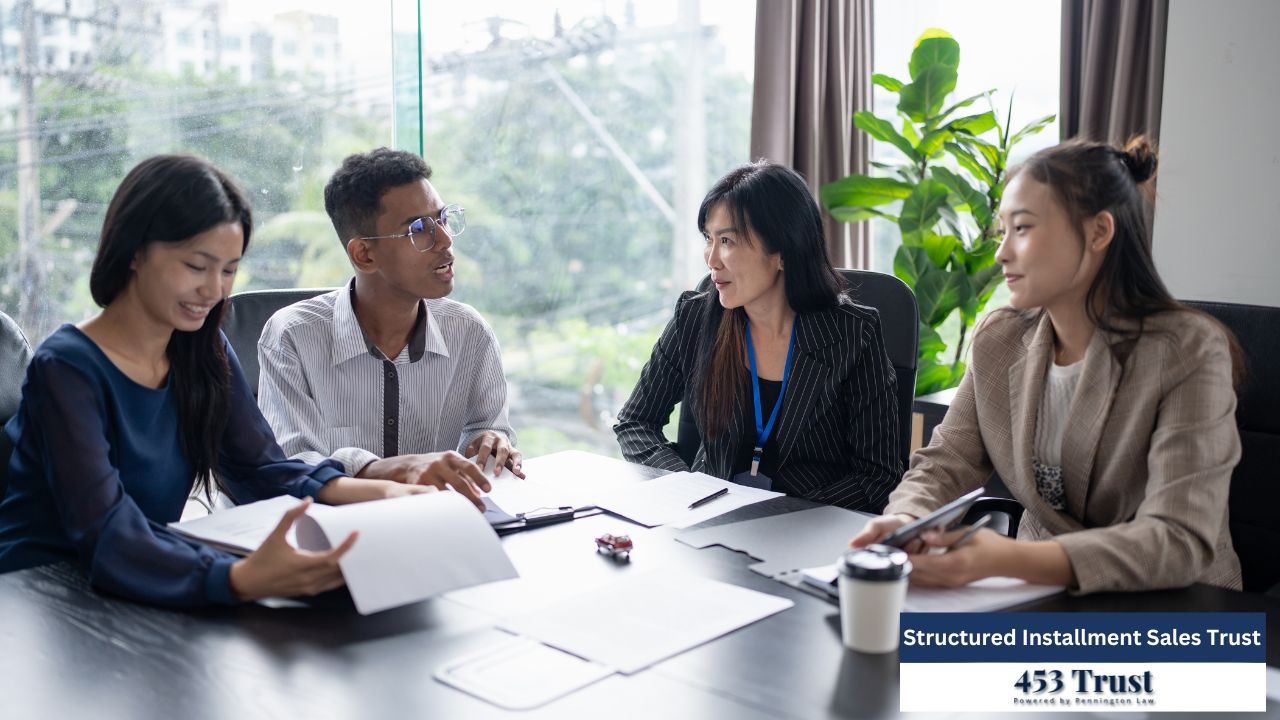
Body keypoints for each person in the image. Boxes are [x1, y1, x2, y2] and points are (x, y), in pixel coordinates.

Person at [0, 155, 435, 607]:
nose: (214, 290)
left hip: (141, 575)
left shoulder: (200, 349)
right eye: (196, 266)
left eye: (228, 270)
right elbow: (105, 531)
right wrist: (242, 577)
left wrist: (386, 493)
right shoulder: (67, 367)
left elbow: (260, 468)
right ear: (134, 252)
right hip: (41, 596)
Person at [851, 137, 1243, 594]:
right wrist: (905, 519)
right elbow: (947, 462)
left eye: (1023, 228)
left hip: (1174, 605)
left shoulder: (1188, 350)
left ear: (1098, 232)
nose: (1001, 253)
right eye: (1004, 231)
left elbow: (1178, 539)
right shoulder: (999, 339)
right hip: (1038, 598)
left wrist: (1011, 558)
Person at [614, 161, 902, 512]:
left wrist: (782, 514)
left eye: (728, 241)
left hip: (804, 534)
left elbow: (879, 476)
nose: (711, 259)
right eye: (709, 238)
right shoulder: (695, 317)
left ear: (782, 251)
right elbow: (635, 422)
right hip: (705, 521)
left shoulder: (853, 335)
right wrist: (687, 486)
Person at [255, 149, 518, 502]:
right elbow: (295, 465)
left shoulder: (470, 332)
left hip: (438, 528)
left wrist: (489, 441)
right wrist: (382, 468)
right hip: (331, 535)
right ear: (364, 254)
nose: (445, 240)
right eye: (420, 229)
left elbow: (488, 429)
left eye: (442, 219)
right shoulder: (292, 336)